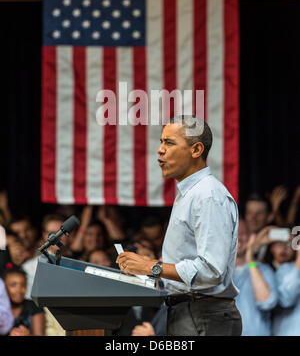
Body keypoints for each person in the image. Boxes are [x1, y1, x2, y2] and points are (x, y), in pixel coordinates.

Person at [117, 115, 242, 336]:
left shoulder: (208, 195)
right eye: (161, 141)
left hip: (204, 314)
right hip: (190, 312)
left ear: (196, 150)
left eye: (169, 142)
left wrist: (152, 267)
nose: (160, 150)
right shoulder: (190, 193)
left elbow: (211, 270)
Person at [234, 220, 278, 335]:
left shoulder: (263, 269)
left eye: (243, 233)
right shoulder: (219, 272)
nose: (238, 237)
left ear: (251, 237)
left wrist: (250, 259)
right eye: (234, 232)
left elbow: (268, 302)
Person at [3, 266, 45, 336]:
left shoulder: (34, 306)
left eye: (23, 285)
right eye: (13, 285)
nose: (19, 290)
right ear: (3, 287)